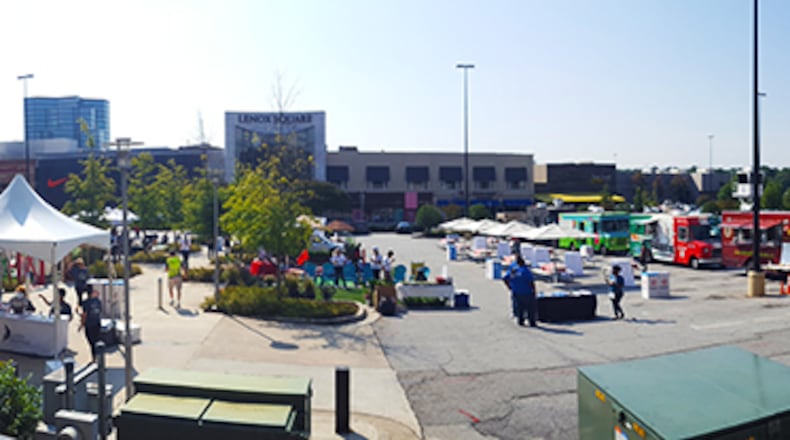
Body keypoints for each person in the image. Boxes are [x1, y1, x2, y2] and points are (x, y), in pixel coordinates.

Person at [503, 256, 537, 327]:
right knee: (530, 309)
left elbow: (505, 278)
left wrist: (510, 287)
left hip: (516, 292)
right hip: (527, 293)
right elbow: (531, 282)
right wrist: (534, 291)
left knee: (520, 308)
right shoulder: (526, 271)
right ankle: (532, 322)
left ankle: (521, 321)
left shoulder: (513, 270)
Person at [79, 286, 102, 362]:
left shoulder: (86, 302)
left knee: (91, 342)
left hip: (89, 325)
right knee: (97, 340)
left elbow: (84, 314)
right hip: (97, 323)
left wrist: (81, 324)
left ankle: (94, 359)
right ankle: (99, 358)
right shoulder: (97, 301)